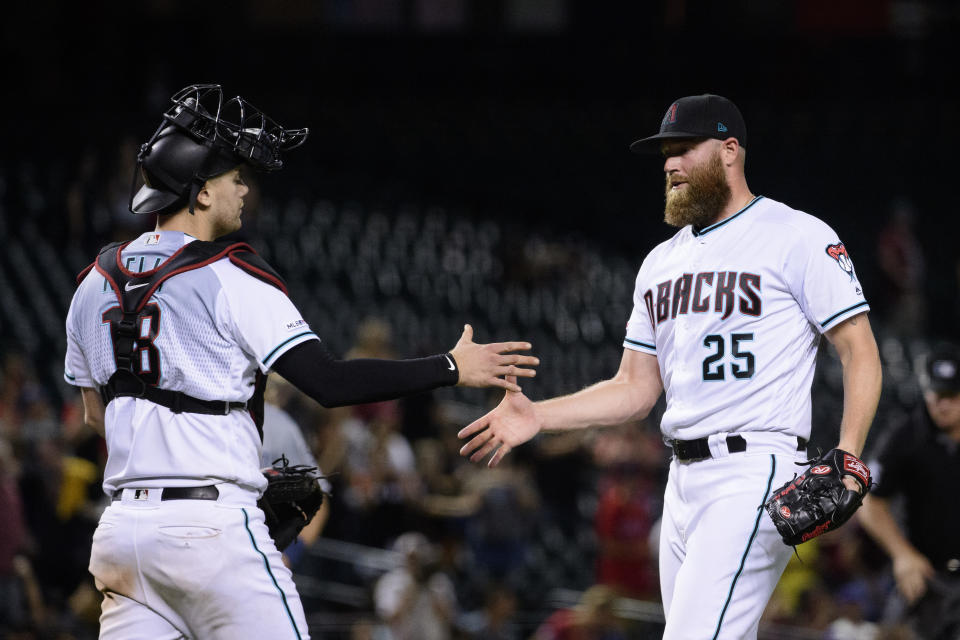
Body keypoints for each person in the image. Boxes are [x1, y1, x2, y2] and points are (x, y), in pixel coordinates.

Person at [63, 84, 538, 640]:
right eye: (233, 176)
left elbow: (97, 418)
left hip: (122, 534)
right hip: (211, 533)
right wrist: (450, 366)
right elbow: (328, 381)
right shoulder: (229, 274)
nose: (244, 187)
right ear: (200, 192)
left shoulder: (93, 283)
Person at [459, 94, 882, 638]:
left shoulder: (796, 234)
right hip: (680, 482)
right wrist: (540, 416)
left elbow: (860, 350)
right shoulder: (660, 263)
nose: (668, 163)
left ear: (730, 151)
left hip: (753, 469)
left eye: (684, 148)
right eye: (665, 152)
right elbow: (634, 388)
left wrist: (849, 456)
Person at [858, 343, 960, 639]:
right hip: (927, 574)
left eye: (952, 396)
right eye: (936, 395)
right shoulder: (907, 435)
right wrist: (902, 555)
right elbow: (869, 501)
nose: (942, 404)